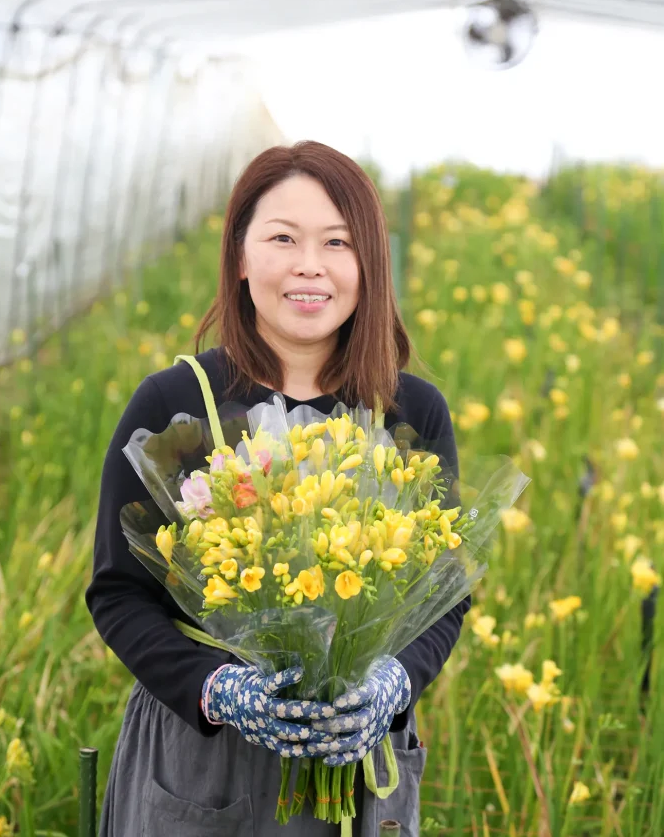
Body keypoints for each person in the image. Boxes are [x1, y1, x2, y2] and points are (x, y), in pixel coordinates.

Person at [86, 140, 471, 837]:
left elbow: (442, 595)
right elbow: (116, 592)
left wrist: (389, 686)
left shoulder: (411, 412)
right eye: (282, 238)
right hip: (199, 759)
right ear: (239, 257)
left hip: (356, 761)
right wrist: (218, 690)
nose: (309, 265)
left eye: (337, 242)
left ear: (370, 264)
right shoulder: (176, 404)